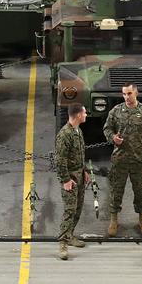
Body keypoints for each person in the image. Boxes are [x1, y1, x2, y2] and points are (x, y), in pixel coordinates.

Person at [103, 84, 142, 238]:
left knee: (141, 192)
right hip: (119, 159)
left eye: (129, 93)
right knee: (116, 191)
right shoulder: (116, 111)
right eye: (124, 94)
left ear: (136, 93)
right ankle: (114, 220)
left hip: (138, 160)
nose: (126, 97)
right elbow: (107, 128)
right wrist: (113, 138)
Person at [55, 103, 90, 261]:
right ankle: (62, 243)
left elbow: (80, 154)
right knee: (69, 210)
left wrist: (84, 171)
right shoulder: (65, 134)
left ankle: (70, 235)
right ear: (77, 115)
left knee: (78, 208)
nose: (86, 115)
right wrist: (65, 180)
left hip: (79, 175)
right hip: (70, 178)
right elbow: (60, 160)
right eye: (84, 113)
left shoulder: (78, 131)